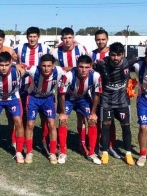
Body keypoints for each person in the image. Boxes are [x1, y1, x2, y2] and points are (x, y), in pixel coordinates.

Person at [16, 54, 66, 164]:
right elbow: (20, 66)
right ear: (40, 65)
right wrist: (16, 66)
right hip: (33, 98)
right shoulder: (33, 70)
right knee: (30, 124)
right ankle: (29, 151)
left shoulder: (59, 70)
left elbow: (71, 69)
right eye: (43, 66)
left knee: (51, 124)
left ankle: (52, 152)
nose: (46, 68)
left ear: (53, 66)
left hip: (48, 99)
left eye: (49, 66)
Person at [94, 42, 138, 166]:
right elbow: (89, 68)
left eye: (119, 55)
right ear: (109, 54)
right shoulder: (102, 64)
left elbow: (144, 60)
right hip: (106, 101)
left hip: (123, 102)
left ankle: (128, 154)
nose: (116, 58)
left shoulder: (127, 62)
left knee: (126, 126)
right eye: (113, 55)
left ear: (123, 55)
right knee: (106, 125)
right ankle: (105, 152)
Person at [57, 55, 102, 165]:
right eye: (81, 67)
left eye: (86, 67)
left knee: (92, 120)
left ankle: (91, 152)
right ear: (77, 66)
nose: (83, 70)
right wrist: (63, 113)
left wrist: (93, 113)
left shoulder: (96, 76)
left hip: (83, 98)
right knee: (62, 120)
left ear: (91, 67)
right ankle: (62, 151)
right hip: (69, 98)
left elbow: (97, 94)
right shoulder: (68, 76)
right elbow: (61, 95)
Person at [14, 26, 51, 151]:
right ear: (27, 37)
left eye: (34, 36)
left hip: (42, 88)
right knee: (25, 115)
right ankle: (24, 141)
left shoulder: (45, 49)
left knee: (45, 117)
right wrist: (16, 64)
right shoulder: (20, 48)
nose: (32, 39)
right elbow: (9, 56)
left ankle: (44, 141)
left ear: (38, 37)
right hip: (24, 87)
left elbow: (52, 61)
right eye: (30, 36)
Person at [53, 27, 89, 155]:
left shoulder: (81, 48)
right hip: (64, 88)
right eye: (65, 38)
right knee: (62, 117)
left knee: (81, 117)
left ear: (73, 38)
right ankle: (61, 144)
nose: (67, 40)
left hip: (80, 89)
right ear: (62, 39)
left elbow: (88, 63)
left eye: (70, 37)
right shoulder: (56, 52)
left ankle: (82, 143)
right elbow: (51, 66)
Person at [89, 30, 121, 159]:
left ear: (107, 39)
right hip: (96, 91)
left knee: (110, 121)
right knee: (96, 118)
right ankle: (96, 145)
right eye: (98, 39)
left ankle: (110, 146)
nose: (100, 41)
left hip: (112, 93)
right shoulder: (91, 54)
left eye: (103, 39)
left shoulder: (113, 52)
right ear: (95, 40)